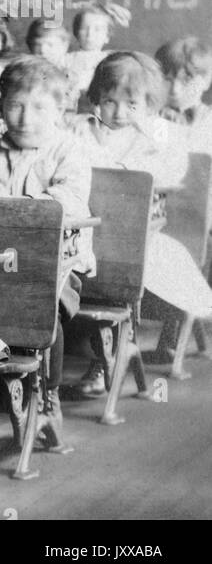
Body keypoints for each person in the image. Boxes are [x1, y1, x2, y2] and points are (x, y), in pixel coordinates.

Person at [0, 56, 94, 442]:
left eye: (39, 107)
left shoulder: (69, 150)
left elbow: (66, 199)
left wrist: (5, 202)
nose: (25, 117)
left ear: (59, 109)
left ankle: (47, 396)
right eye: (15, 105)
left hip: (52, 264)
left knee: (42, 306)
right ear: (1, 107)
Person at [71, 52, 212, 391]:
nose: (119, 113)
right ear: (96, 99)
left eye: (131, 104)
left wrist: (147, 133)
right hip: (84, 232)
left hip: (136, 237)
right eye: (109, 101)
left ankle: (105, 361)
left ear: (149, 105)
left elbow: (168, 174)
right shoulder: (82, 131)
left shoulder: (157, 138)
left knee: (127, 272)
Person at [156, 36, 212, 155]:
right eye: (167, 80)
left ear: (206, 81)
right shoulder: (151, 114)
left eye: (186, 80)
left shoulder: (209, 120)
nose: (174, 90)